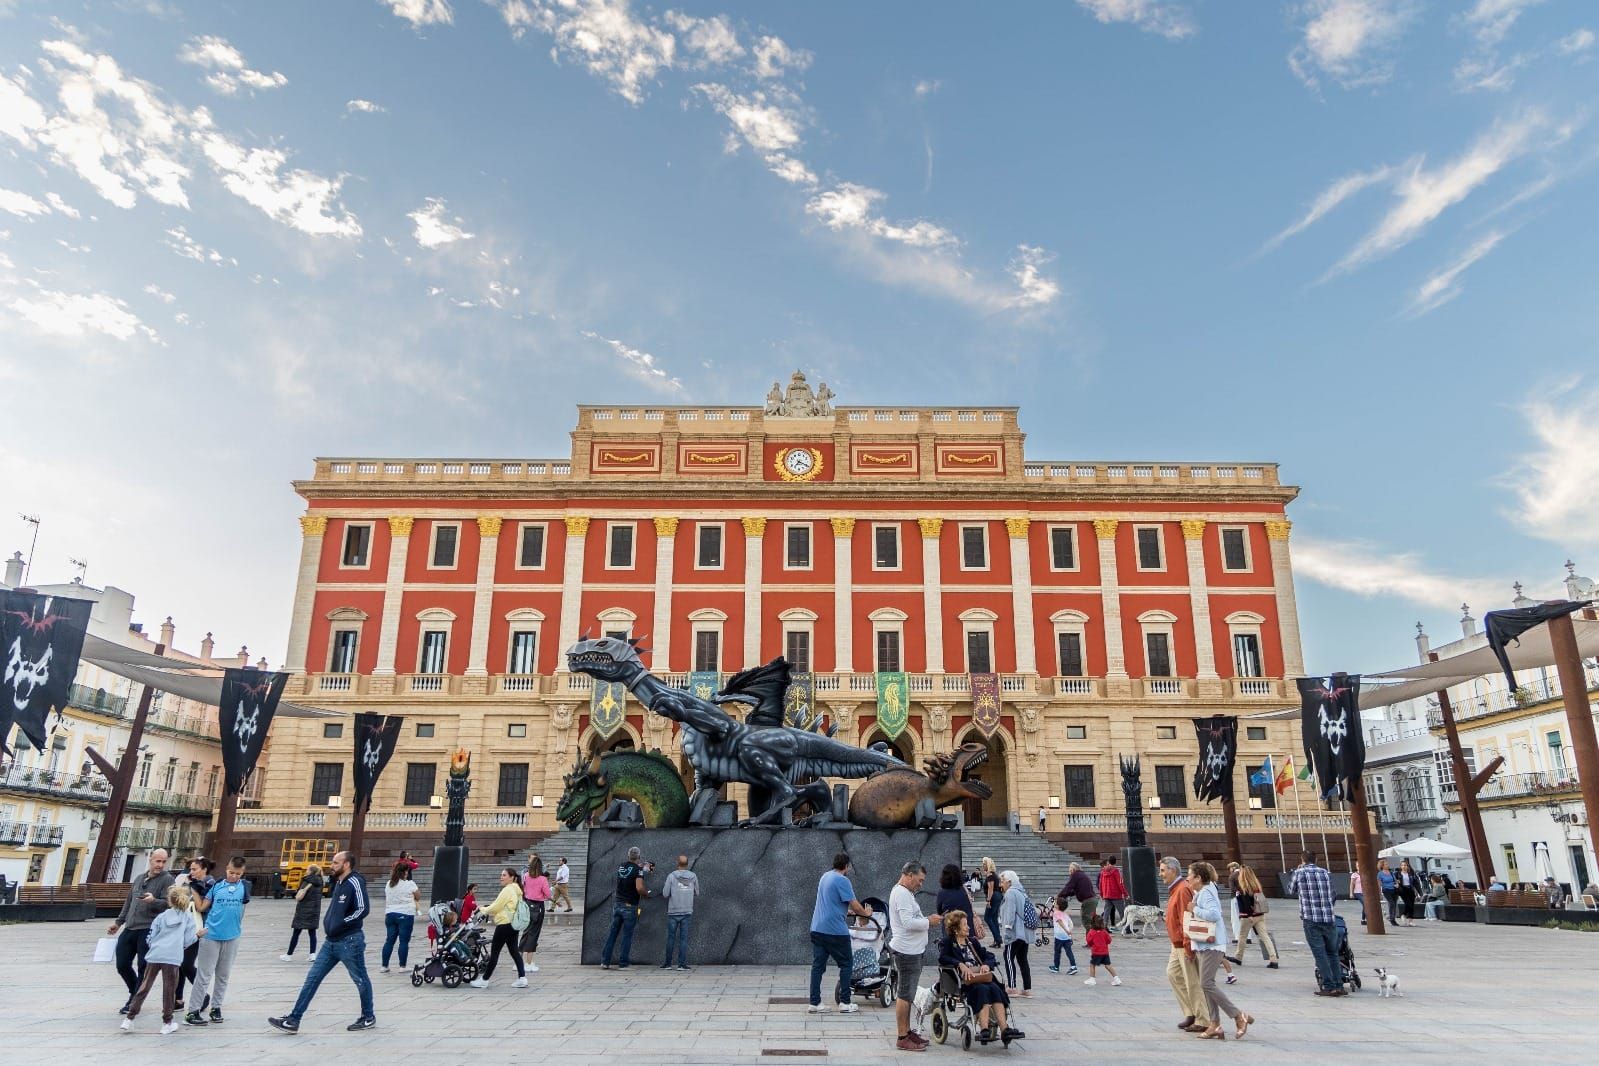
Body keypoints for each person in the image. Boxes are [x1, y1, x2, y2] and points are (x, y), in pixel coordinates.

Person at [269, 850, 375, 1033]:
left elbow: (363, 909)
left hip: (349, 940)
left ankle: (368, 1016)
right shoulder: (339, 882)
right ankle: (294, 1019)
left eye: (335, 862)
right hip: (330, 942)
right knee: (312, 978)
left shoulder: (355, 881)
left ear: (346, 864)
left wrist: (342, 923)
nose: (331, 865)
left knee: (360, 978)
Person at [120, 884, 201, 1035]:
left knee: (144, 986)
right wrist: (198, 935)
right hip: (172, 957)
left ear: (169, 901)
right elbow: (188, 940)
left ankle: (129, 1019)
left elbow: (151, 936)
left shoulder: (162, 916)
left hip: (155, 954)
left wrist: (154, 946)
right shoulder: (187, 918)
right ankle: (167, 1022)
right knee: (169, 990)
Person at [1187, 862, 1252, 1040]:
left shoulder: (1206, 892)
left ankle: (1238, 1016)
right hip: (1204, 943)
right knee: (1207, 985)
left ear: (1199, 878)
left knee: (1206, 983)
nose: (1187, 878)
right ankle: (1215, 1024)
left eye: (1190, 875)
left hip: (1212, 944)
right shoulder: (1202, 891)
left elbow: (1214, 915)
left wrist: (1195, 909)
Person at [108, 848, 176, 1013]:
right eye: (157, 861)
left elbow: (170, 903)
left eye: (163, 861)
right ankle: (135, 990)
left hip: (149, 928)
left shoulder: (167, 880)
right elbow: (129, 901)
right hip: (130, 927)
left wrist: (154, 901)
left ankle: (134, 1002)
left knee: (143, 966)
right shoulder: (139, 878)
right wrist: (118, 922)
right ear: (150, 859)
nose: (160, 865)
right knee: (122, 964)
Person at [938, 910, 1021, 1045]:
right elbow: (943, 957)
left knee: (995, 989)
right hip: (965, 982)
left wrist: (987, 965)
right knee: (982, 990)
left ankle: (1005, 1030)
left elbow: (988, 955)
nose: (969, 927)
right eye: (965, 925)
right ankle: (984, 1030)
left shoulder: (972, 942)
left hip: (982, 977)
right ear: (955, 929)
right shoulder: (948, 942)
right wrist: (959, 964)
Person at [185, 856, 249, 1026]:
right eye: (231, 872)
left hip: (232, 936)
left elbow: (242, 910)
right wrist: (194, 890)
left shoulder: (244, 888)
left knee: (223, 975)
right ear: (226, 868)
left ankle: (216, 1007)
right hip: (211, 935)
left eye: (237, 873)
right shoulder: (216, 886)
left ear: (243, 873)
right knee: (204, 975)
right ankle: (193, 1011)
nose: (234, 876)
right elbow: (202, 907)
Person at [808, 851, 872, 1014]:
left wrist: (845, 912)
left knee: (817, 967)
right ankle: (845, 1002)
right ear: (847, 866)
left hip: (817, 928)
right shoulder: (843, 880)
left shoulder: (825, 877)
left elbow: (831, 902)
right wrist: (866, 914)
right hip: (835, 931)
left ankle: (814, 1003)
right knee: (846, 964)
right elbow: (856, 905)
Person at [887, 861, 932, 1052]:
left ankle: (906, 1031)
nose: (921, 884)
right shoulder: (902, 894)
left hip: (911, 950)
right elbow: (907, 923)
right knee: (904, 995)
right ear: (909, 875)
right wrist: (929, 921)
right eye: (919, 880)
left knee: (908, 993)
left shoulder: (904, 893)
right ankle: (902, 1036)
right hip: (907, 952)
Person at [1161, 855, 1209, 1032]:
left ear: (1173, 870)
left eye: (1163, 870)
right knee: (1173, 974)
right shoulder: (1176, 889)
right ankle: (1190, 1011)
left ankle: (1203, 1019)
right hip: (1176, 943)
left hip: (1183, 943)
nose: (1161, 874)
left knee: (1192, 981)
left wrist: (1189, 946)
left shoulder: (1182, 890)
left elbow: (1185, 920)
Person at [1290, 850, 1343, 997]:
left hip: (1311, 919)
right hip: (1329, 918)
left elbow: (1291, 889)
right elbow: (1333, 894)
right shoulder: (1325, 872)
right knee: (1333, 953)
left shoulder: (1299, 873)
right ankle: (1339, 985)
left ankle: (1329, 986)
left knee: (1320, 954)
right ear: (1316, 859)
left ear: (1302, 859)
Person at [471, 867, 529, 988]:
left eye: (504, 875)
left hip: (504, 924)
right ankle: (522, 978)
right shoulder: (517, 890)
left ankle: (484, 980)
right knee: (514, 951)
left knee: (495, 953)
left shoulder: (507, 890)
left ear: (512, 877)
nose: (501, 877)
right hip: (513, 924)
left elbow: (496, 907)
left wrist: (482, 909)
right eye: (501, 875)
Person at [600, 847, 650, 970]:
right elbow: (639, 887)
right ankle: (623, 963)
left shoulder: (621, 866)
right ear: (639, 856)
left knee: (612, 934)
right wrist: (646, 893)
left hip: (618, 904)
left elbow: (629, 871)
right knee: (627, 935)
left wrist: (642, 867)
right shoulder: (638, 870)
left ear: (628, 856)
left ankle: (605, 961)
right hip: (630, 906)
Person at [174, 856, 212, 1007]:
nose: (192, 872)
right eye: (190, 869)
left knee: (186, 964)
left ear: (204, 870)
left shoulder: (209, 883)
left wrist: (193, 889)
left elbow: (201, 907)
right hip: (184, 926)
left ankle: (203, 995)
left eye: (195, 869)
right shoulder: (190, 882)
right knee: (179, 963)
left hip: (199, 928)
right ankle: (178, 998)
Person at [1232, 865, 1279, 967]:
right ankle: (1273, 959)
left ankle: (1238, 957)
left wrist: (1248, 915)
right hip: (1260, 914)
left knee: (1242, 936)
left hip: (1248, 916)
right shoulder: (1256, 885)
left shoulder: (1242, 886)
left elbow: (1245, 902)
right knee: (1265, 937)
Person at [380, 860, 420, 974]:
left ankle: (384, 966)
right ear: (405, 872)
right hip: (405, 914)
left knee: (389, 941)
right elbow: (418, 895)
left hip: (390, 914)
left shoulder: (389, 884)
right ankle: (402, 966)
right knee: (403, 941)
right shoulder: (409, 884)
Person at [997, 870, 1032, 998]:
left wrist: (1007, 930)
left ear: (1009, 882)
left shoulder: (1011, 893)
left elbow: (1010, 914)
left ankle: (1012, 987)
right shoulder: (1021, 892)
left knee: (1008, 957)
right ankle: (1027, 989)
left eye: (1002, 881)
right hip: (1025, 932)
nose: (1001, 884)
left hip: (1015, 932)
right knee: (1022, 959)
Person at [660, 854, 698, 971]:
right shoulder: (693, 876)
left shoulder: (671, 876)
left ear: (678, 863)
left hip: (673, 911)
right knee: (683, 938)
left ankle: (668, 964)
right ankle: (682, 964)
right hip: (686, 911)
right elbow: (697, 892)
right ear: (687, 864)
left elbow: (665, 894)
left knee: (671, 938)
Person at [283, 863, 323, 961]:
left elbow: (300, 894)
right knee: (312, 933)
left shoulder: (307, 880)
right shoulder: (320, 882)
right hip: (314, 911)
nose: (306, 871)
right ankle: (312, 954)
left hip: (303, 910)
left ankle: (289, 955)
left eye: (308, 869)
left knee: (296, 933)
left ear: (310, 871)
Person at [522, 858, 552, 973]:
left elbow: (524, 890)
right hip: (538, 907)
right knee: (534, 934)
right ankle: (529, 963)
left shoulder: (525, 876)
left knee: (526, 932)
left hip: (527, 905)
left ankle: (519, 961)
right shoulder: (543, 879)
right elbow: (548, 894)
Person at [936, 863, 979, 942]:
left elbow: (940, 912)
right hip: (967, 928)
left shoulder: (942, 893)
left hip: (951, 930)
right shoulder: (964, 890)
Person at [1082, 914, 1120, 986]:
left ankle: (1092, 979)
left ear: (1092, 923)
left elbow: (1089, 941)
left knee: (1092, 964)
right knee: (1108, 965)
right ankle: (1117, 979)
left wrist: (1092, 945)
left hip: (1096, 952)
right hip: (1105, 952)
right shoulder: (1104, 931)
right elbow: (1109, 940)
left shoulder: (1091, 932)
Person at [1060, 861, 1098, 926]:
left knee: (1087, 921)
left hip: (1088, 901)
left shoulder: (1075, 875)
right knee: (1092, 921)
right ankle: (1095, 935)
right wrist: (1066, 894)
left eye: (1070, 869)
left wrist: (1059, 895)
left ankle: (1091, 936)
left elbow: (1068, 887)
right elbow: (1074, 890)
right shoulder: (1081, 875)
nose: (1069, 872)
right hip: (1092, 900)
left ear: (1073, 869)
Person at [1048, 894, 1077, 974]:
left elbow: (1060, 922)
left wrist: (1066, 930)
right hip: (1067, 937)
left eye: (1055, 903)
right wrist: (1069, 931)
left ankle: (1056, 967)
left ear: (1058, 906)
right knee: (1069, 951)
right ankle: (1073, 966)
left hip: (1059, 936)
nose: (1054, 904)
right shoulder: (1065, 914)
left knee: (1057, 952)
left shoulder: (1056, 913)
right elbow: (1071, 924)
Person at [1098, 854, 1128, 930]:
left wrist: (1101, 894)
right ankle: (1127, 928)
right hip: (1116, 895)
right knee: (1122, 911)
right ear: (1115, 862)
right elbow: (1120, 883)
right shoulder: (1116, 871)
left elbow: (1100, 884)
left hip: (1106, 895)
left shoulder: (1103, 872)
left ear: (1109, 861)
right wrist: (1125, 894)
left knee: (1106, 912)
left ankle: (1104, 927)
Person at [980, 857, 1003, 946]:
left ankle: (997, 938)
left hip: (993, 897)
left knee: (987, 918)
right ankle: (997, 940)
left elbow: (990, 888)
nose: (983, 866)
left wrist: (989, 900)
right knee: (994, 918)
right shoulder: (994, 874)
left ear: (988, 865)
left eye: (984, 864)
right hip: (998, 896)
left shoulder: (990, 875)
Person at [1394, 859, 1421, 925]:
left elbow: (1416, 883)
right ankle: (1403, 914)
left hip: (1410, 889)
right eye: (1402, 865)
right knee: (1408, 903)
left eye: (1405, 865)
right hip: (1403, 890)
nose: (1404, 866)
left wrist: (1420, 893)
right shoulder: (1397, 874)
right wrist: (1396, 884)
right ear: (1400, 866)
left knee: (1412, 905)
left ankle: (1410, 921)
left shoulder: (1411, 874)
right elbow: (1393, 881)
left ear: (1408, 866)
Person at [1377, 858, 1398, 924]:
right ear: (1382, 866)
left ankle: (1393, 918)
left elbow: (1395, 881)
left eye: (1387, 864)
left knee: (1394, 904)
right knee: (1391, 903)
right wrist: (1379, 893)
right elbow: (1379, 884)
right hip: (1386, 890)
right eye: (1386, 864)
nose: (1387, 865)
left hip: (1394, 890)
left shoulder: (1391, 872)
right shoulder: (1380, 874)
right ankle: (1392, 918)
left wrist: (1397, 883)